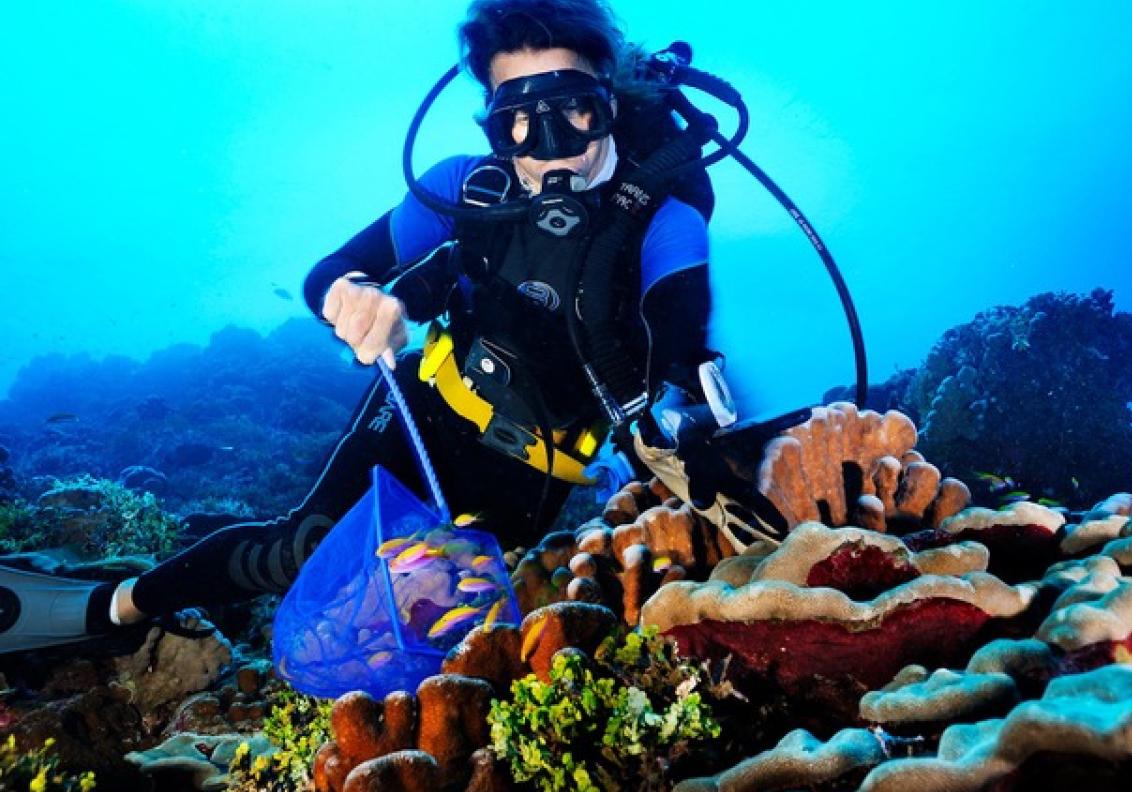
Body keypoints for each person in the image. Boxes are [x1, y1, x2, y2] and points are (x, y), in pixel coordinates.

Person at [0, 0, 718, 653]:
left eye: (575, 110)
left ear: (612, 103)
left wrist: (680, 415)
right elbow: (333, 267)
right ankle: (115, 609)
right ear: (493, 125)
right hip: (425, 411)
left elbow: (680, 340)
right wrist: (353, 294)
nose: (549, 144)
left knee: (447, 622)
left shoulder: (666, 222)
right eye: (518, 121)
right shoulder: (468, 185)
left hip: (532, 478)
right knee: (304, 551)